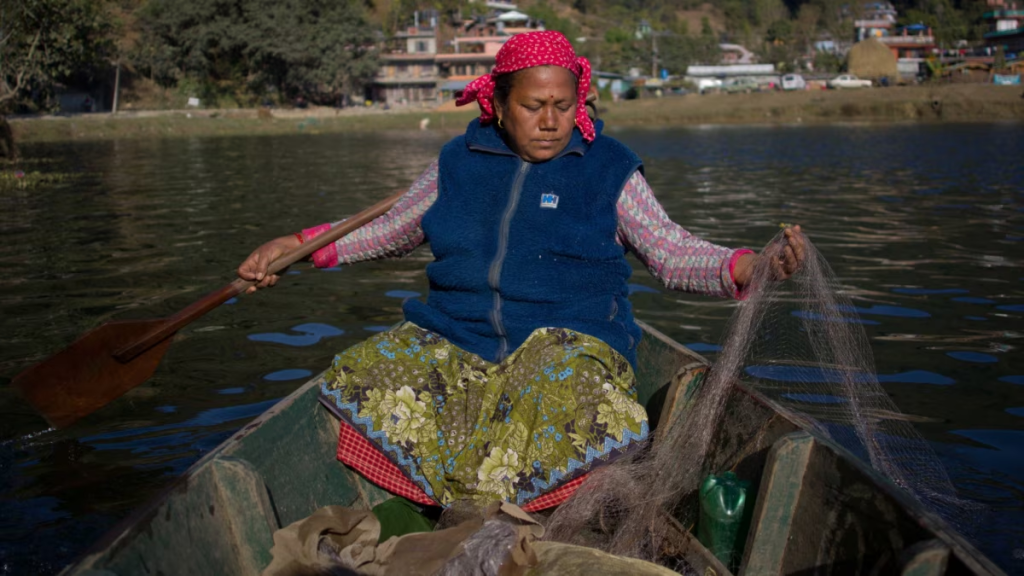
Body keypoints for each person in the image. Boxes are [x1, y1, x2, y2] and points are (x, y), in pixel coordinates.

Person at [238, 31, 804, 512]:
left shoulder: (608, 167)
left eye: (564, 104)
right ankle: (458, 498)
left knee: (571, 401)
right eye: (534, 106)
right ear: (500, 106)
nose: (552, 122)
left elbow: (671, 251)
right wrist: (299, 248)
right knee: (367, 375)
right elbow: (390, 230)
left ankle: (515, 507)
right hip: (459, 338)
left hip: (568, 346)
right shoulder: (458, 164)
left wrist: (752, 265)